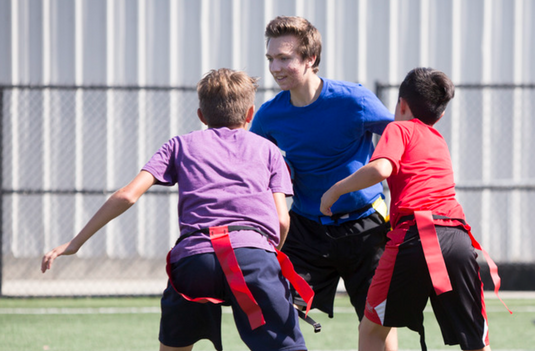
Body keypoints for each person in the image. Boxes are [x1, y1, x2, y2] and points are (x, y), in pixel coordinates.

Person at [41, 68, 310, 351]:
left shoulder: (180, 144)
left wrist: (75, 242)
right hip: (253, 255)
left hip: (195, 259)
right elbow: (281, 220)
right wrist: (264, 254)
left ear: (201, 116)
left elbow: (128, 195)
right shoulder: (267, 150)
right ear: (250, 113)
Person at [320, 67, 507, 351]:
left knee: (372, 329)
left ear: (402, 104)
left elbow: (382, 168)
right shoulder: (438, 140)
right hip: (458, 239)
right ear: (440, 116)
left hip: (415, 236)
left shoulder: (399, 128)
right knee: (475, 340)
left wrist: (334, 190)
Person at [249, 15, 397, 349]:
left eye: (284, 57)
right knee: (275, 308)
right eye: (271, 58)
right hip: (306, 230)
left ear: (310, 58)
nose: (275, 67)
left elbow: (402, 141)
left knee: (378, 322)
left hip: (368, 229)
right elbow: (252, 164)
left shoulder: (354, 100)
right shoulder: (269, 115)